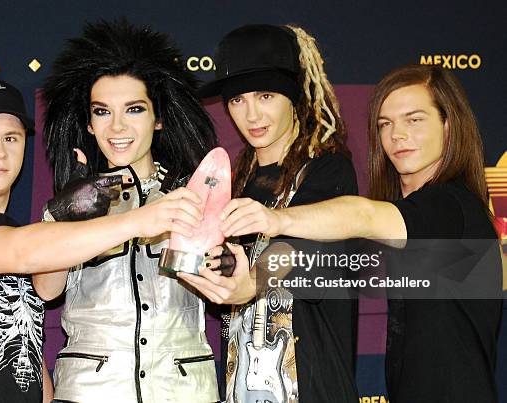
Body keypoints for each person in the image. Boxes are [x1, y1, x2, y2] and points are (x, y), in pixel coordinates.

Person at [0, 78, 202, 402]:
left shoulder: (17, 230)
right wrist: (137, 221)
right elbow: (23, 253)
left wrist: (67, 217)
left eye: (11, 138)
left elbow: (35, 313)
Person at [211, 65, 503, 402]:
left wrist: (276, 220)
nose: (397, 135)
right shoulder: (414, 217)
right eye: (385, 124)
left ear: (449, 125)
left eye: (415, 120)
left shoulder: (451, 205)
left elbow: (362, 214)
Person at [32, 20, 220, 402]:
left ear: (159, 117)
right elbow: (46, 288)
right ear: (89, 121)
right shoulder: (72, 201)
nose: (117, 126)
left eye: (134, 109)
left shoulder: (194, 196)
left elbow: (224, 290)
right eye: (102, 112)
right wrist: (81, 201)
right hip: (92, 391)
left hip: (182, 391)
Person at [184, 24, 360, 402]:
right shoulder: (236, 180)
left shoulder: (326, 169)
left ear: (293, 95)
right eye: (237, 100)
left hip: (313, 384)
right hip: (243, 386)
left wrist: (252, 280)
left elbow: (317, 256)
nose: (252, 114)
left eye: (265, 95)